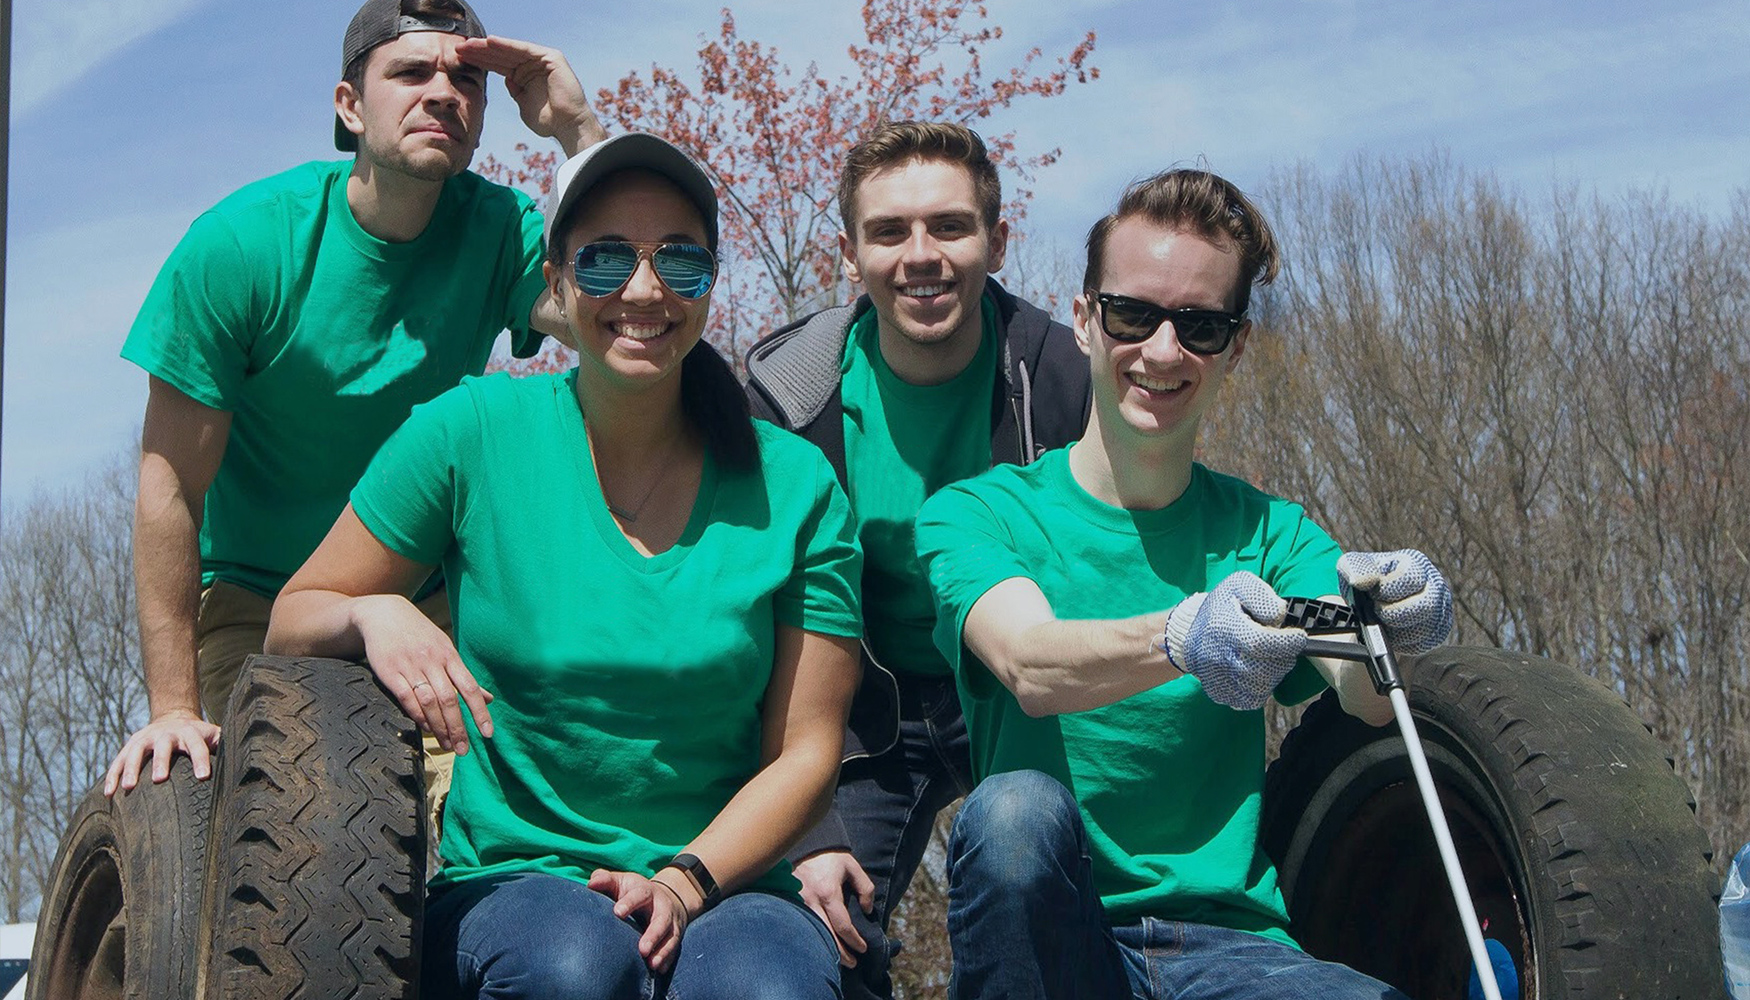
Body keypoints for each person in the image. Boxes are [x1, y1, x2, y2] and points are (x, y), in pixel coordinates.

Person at [265, 131, 862, 999]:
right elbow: (293, 617)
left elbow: (806, 752)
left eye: (682, 263)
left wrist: (685, 883)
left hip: (727, 881)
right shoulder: (468, 434)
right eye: (607, 258)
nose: (646, 289)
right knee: (573, 971)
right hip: (517, 877)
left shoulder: (796, 485)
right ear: (556, 281)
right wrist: (371, 612)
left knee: (768, 991)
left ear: (709, 286)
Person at [914, 168, 1453, 999]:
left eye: (1199, 326)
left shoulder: (1269, 534)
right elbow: (1028, 663)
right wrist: (1182, 635)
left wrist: (1398, 625)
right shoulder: (976, 515)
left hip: (1234, 954)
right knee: (1012, 811)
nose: (1162, 351)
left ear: (1235, 346)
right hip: (1056, 945)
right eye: (1134, 315)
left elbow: (1366, 691)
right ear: (1086, 321)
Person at [104, 0, 604, 803]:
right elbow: (170, 489)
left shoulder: (500, 230)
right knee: (277, 824)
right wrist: (172, 710)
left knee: (509, 810)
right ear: (349, 105)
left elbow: (615, 318)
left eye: (466, 77)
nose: (444, 92)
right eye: (411, 71)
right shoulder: (241, 249)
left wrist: (580, 135)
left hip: (427, 598)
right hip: (258, 607)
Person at [743, 120, 1089, 996]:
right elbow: (744, 621)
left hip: (1019, 691)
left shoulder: (1063, 380)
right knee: (811, 926)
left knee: (1063, 897)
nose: (921, 255)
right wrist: (806, 826)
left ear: (996, 241)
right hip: (853, 710)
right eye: (890, 232)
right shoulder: (786, 399)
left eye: (950, 226)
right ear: (852, 255)